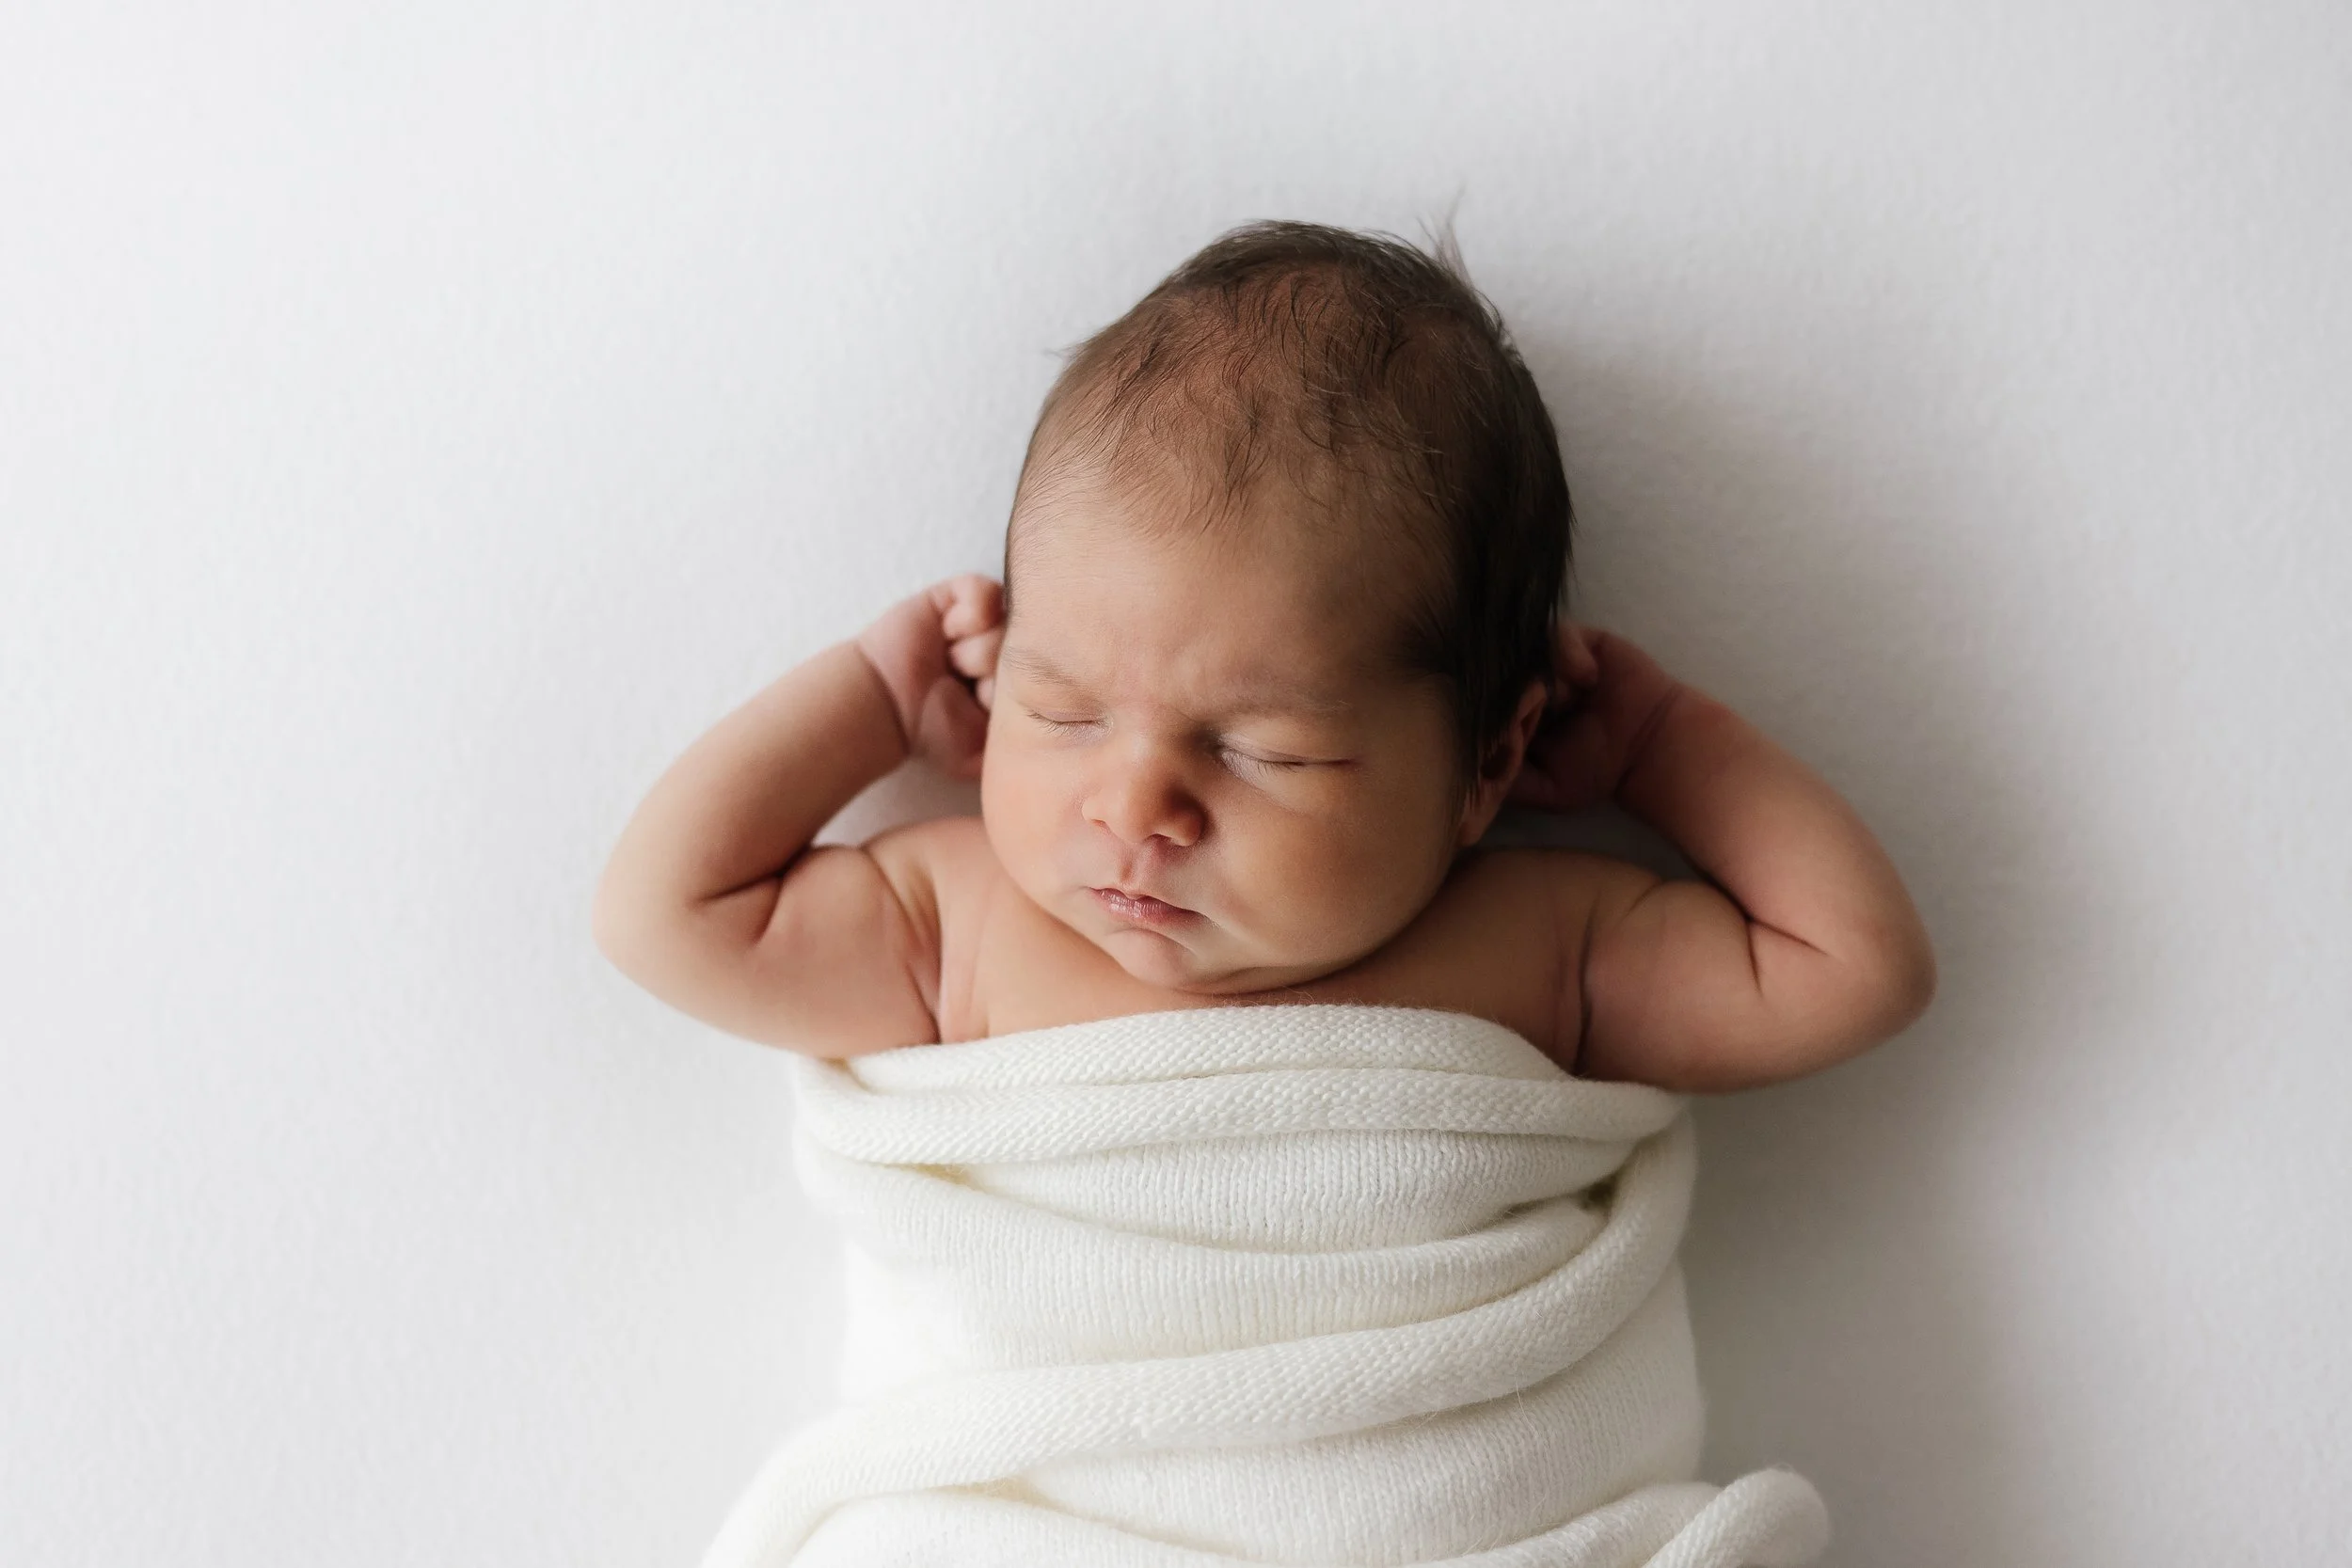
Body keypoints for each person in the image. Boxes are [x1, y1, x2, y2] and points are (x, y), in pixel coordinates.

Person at [591, 219, 1935, 1092]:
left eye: (1263, 750)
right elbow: (666, 916)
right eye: (1060, 711)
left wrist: (1656, 741)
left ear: (1490, 762)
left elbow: (1855, 968)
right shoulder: (960, 925)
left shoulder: (1539, 943)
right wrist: (873, 697)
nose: (1135, 808)